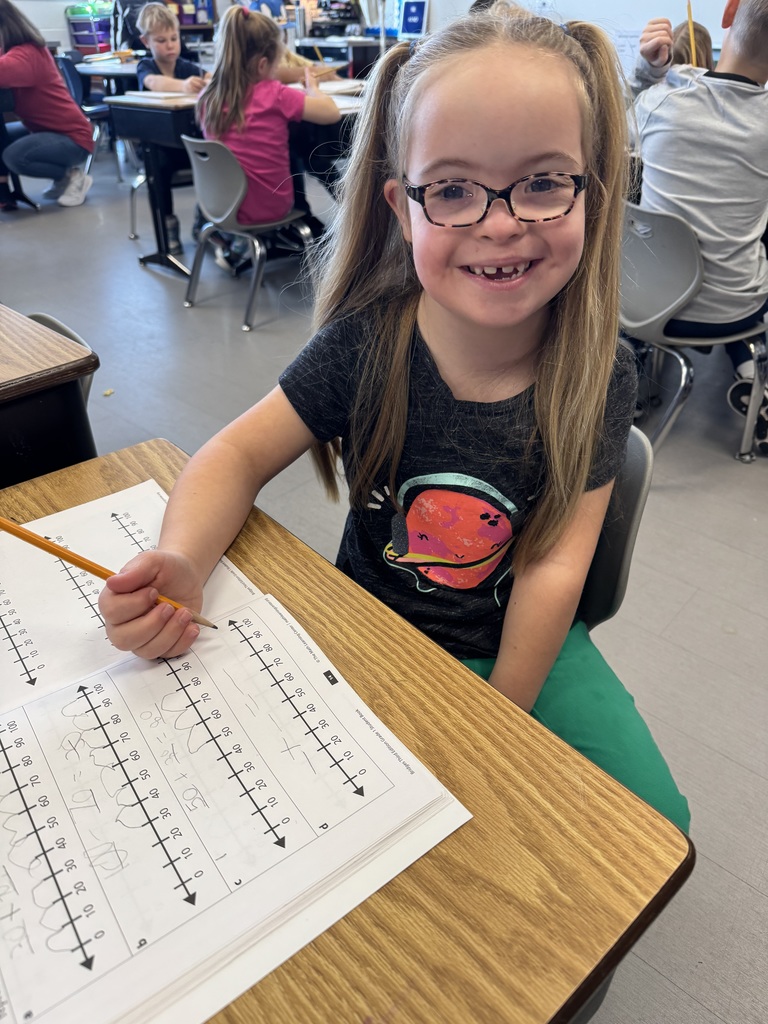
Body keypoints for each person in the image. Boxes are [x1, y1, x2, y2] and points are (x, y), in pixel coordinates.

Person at [99, 4, 691, 834]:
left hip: (520, 646)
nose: (499, 221)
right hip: (370, 629)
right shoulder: (368, 342)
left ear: (593, 189)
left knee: (654, 825)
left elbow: (555, 566)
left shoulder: (600, 370)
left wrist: (498, 717)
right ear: (403, 206)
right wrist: (183, 560)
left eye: (545, 182)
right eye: (451, 189)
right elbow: (233, 456)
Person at [630, 6, 768, 454]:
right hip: (734, 311)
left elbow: (605, 128)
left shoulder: (660, 100)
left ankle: (627, 371)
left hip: (640, 303)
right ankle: (752, 371)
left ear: (728, 19)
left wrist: (645, 74)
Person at [196, 6, 339, 266]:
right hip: (269, 207)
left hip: (218, 206)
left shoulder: (208, 98)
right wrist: (313, 89)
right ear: (263, 65)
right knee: (300, 154)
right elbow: (331, 113)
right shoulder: (274, 94)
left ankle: (238, 244)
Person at [0, 0, 94, 208]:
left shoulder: (26, 54)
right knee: (6, 136)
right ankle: (62, 178)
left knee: (14, 156)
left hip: (72, 138)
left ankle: (71, 176)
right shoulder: (20, 51)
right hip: (45, 131)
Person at [136, 2, 212, 254]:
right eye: (161, 40)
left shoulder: (186, 66)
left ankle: (206, 217)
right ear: (146, 42)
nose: (170, 45)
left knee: (213, 158)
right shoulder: (145, 66)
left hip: (186, 140)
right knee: (159, 169)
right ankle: (167, 222)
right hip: (158, 145)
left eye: (174, 38)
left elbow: (209, 76)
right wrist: (182, 86)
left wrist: (208, 80)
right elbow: (152, 83)